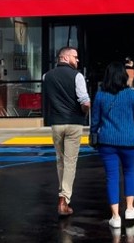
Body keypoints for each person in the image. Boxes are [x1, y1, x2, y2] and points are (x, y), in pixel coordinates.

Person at [90, 61, 134, 229]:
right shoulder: (132, 95)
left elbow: (95, 120)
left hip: (107, 141)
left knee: (112, 177)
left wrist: (93, 137)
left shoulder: (100, 95)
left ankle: (115, 216)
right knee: (129, 172)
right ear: (123, 76)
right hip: (129, 141)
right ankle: (130, 209)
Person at [42, 46, 91, 217]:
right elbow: (85, 101)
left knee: (60, 160)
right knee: (70, 162)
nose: (77, 60)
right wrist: (84, 113)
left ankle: (62, 191)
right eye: (75, 57)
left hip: (56, 123)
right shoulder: (77, 76)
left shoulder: (46, 76)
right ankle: (63, 199)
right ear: (65, 57)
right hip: (74, 123)